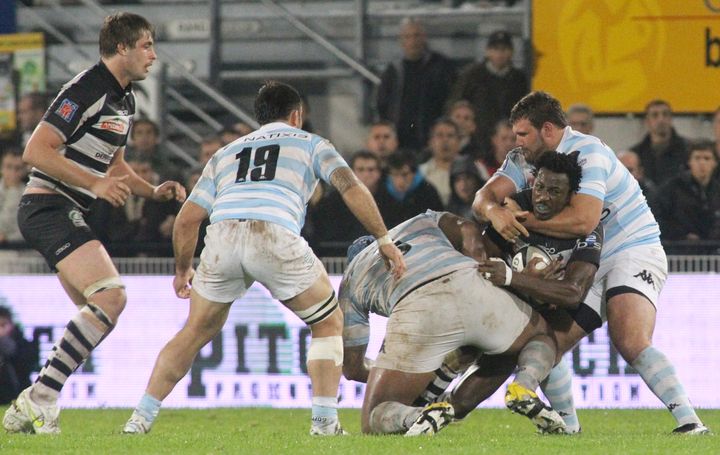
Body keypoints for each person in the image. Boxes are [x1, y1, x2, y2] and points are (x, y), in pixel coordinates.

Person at [122, 81, 407, 436]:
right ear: (296, 115)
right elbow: (350, 186)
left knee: (193, 332)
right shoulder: (312, 143)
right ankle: (324, 423)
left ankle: (140, 419)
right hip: (273, 233)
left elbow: (187, 218)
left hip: (222, 236)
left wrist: (183, 269)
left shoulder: (225, 153)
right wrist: (383, 238)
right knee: (328, 324)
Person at [472, 90, 709, 434]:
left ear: (549, 130)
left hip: (632, 246)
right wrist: (495, 212)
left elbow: (584, 221)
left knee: (629, 337)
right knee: (545, 341)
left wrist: (519, 220)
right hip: (587, 257)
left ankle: (690, 423)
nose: (517, 141)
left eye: (523, 134)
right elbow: (484, 197)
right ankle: (568, 429)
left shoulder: (588, 152)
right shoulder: (523, 160)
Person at [2, 12, 187, 435]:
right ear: (121, 47)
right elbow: (36, 150)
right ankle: (42, 398)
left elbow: (116, 165)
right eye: (146, 45)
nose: (153, 56)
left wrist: (152, 192)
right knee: (112, 297)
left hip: (65, 210)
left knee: (99, 312)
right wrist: (95, 183)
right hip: (46, 207)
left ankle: (25, 408)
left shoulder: (126, 99)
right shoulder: (85, 89)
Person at [340, 210, 565, 435]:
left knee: (374, 419)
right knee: (541, 336)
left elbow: (351, 368)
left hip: (417, 307)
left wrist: (400, 375)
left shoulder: (350, 277)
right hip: (470, 280)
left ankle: (419, 415)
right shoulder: (415, 222)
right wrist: (479, 265)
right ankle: (524, 386)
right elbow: (466, 228)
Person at [376, 18, 456, 151]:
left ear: (424, 38)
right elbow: (382, 105)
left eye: (416, 35)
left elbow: (451, 101)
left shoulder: (441, 66)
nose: (412, 41)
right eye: (407, 37)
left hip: (433, 141)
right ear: (401, 41)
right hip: (400, 143)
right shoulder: (393, 71)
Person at [448, 30, 529, 147]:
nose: (500, 54)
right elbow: (455, 104)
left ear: (511, 52)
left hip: (507, 140)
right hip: (477, 139)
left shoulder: (518, 78)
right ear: (487, 51)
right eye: (495, 49)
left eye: (504, 49)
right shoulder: (472, 75)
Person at [652, 140, 720, 243]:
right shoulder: (672, 189)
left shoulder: (717, 191)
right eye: (697, 158)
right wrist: (681, 234)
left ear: (715, 163)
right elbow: (657, 218)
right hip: (680, 250)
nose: (702, 163)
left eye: (707, 158)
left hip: (713, 252)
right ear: (689, 162)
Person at [630, 99, 689, 186]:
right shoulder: (636, 154)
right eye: (655, 115)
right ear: (647, 121)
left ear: (671, 119)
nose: (661, 119)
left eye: (665, 114)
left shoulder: (688, 150)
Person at [382, 150, 443, 228]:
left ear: (414, 172)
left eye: (404, 174)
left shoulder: (428, 191)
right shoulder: (382, 192)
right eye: (395, 174)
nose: (400, 180)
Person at [0, 306, 38, 405]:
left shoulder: (22, 344)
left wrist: (10, 350)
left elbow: (30, 365)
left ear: (11, 325)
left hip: (20, 396)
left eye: (3, 325)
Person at [0, 147, 27, 244]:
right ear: (1, 168)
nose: (12, 172)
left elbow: (27, 230)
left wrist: (13, 191)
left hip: (19, 249)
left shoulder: (30, 196)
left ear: (24, 171)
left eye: (17, 168)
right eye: (8, 166)